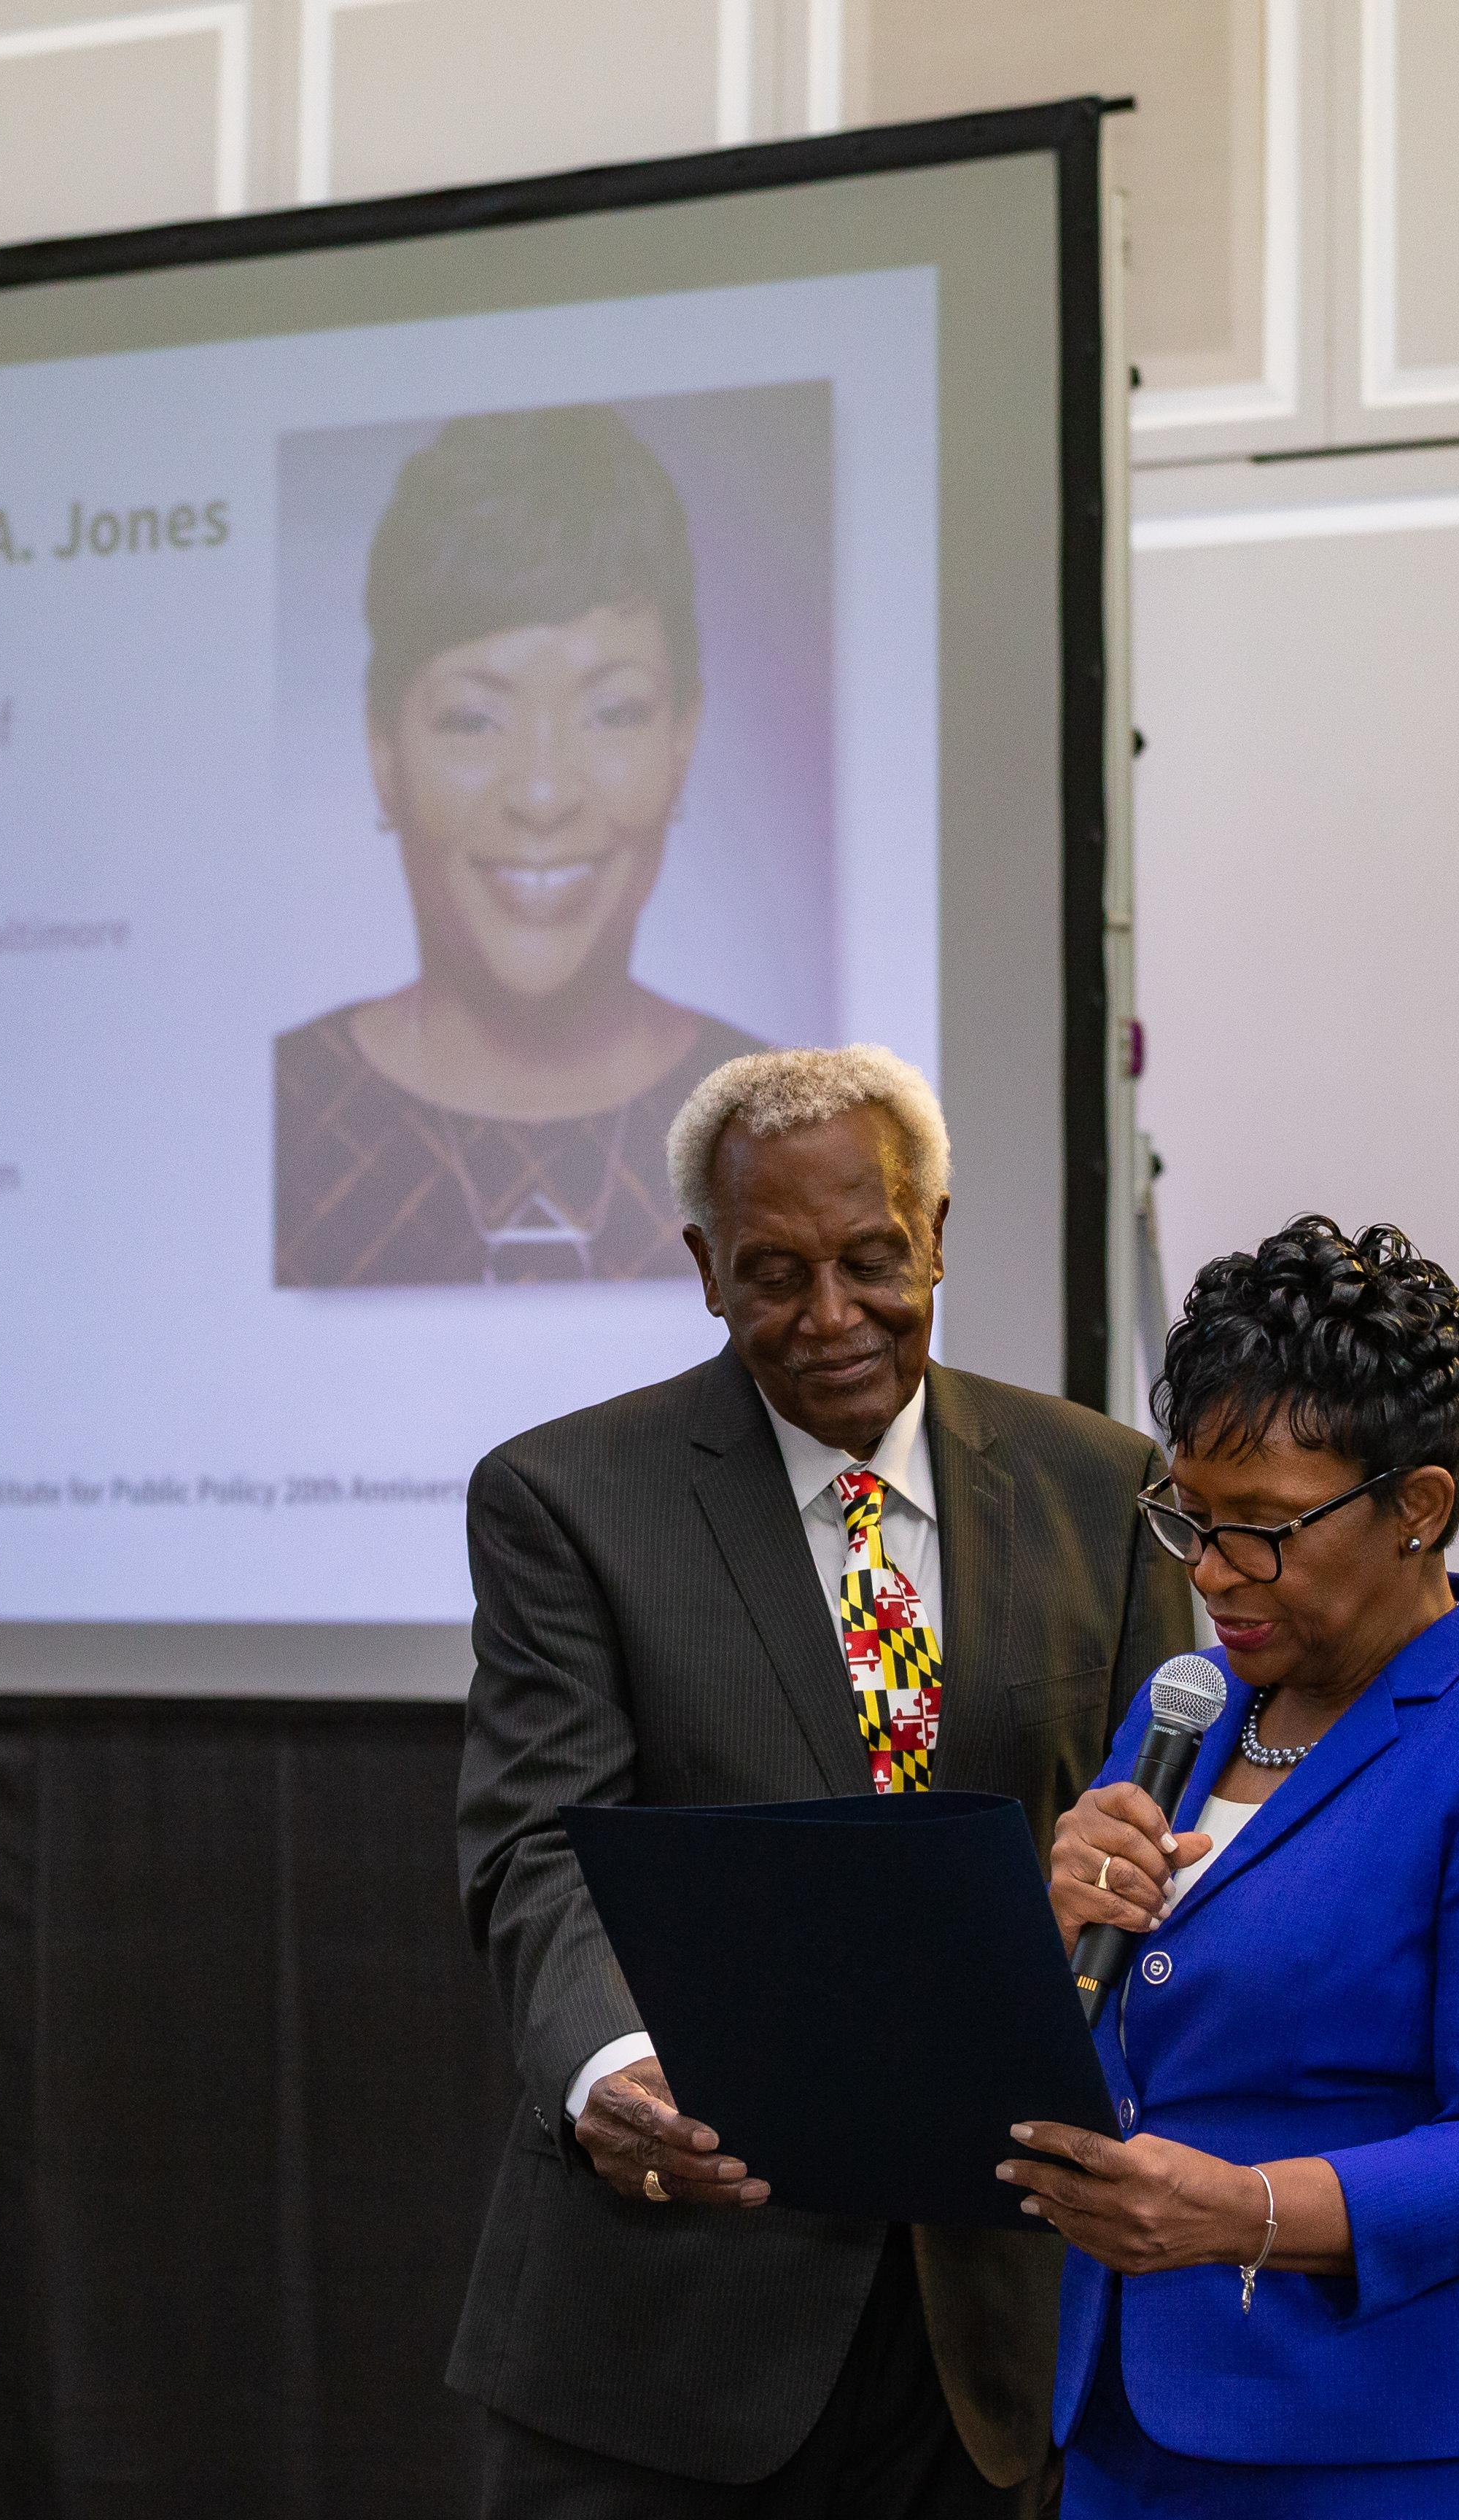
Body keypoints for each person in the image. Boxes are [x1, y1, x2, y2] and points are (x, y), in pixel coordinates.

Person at [451, 1046, 1193, 2517]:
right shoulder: (569, 1501)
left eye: (871, 1261)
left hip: (1000, 2326)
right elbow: (538, 1847)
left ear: (936, 1237)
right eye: (775, 1273)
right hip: (675, 2325)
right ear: (705, 1271)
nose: (831, 1318)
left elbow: (1158, 1829)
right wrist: (610, 2072)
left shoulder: (1105, 1489)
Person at [993, 1217, 1459, 2519]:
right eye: (1192, 1519)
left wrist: (1241, 2211)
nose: (1217, 1574)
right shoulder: (1178, 1714)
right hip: (1133, 2426)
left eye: (1265, 1530)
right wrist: (1053, 1913)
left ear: (1415, 1506)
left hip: (1390, 2445)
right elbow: (1124, 2032)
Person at [276, 403, 768, 1287]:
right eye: (474, 719)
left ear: (683, 740)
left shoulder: (779, 1121)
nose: (543, 794)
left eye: (612, 712)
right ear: (385, 752)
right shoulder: (276, 1109)